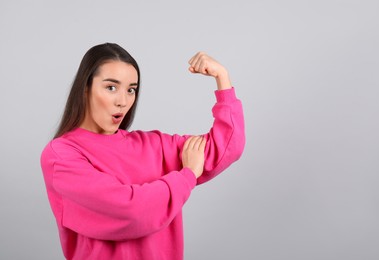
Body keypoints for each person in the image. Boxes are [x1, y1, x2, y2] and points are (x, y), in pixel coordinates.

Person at [40, 42, 245, 260]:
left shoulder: (151, 144)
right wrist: (187, 176)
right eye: (111, 87)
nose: (123, 101)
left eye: (131, 90)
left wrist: (222, 79)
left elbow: (226, 147)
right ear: (86, 88)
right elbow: (129, 212)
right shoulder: (61, 156)